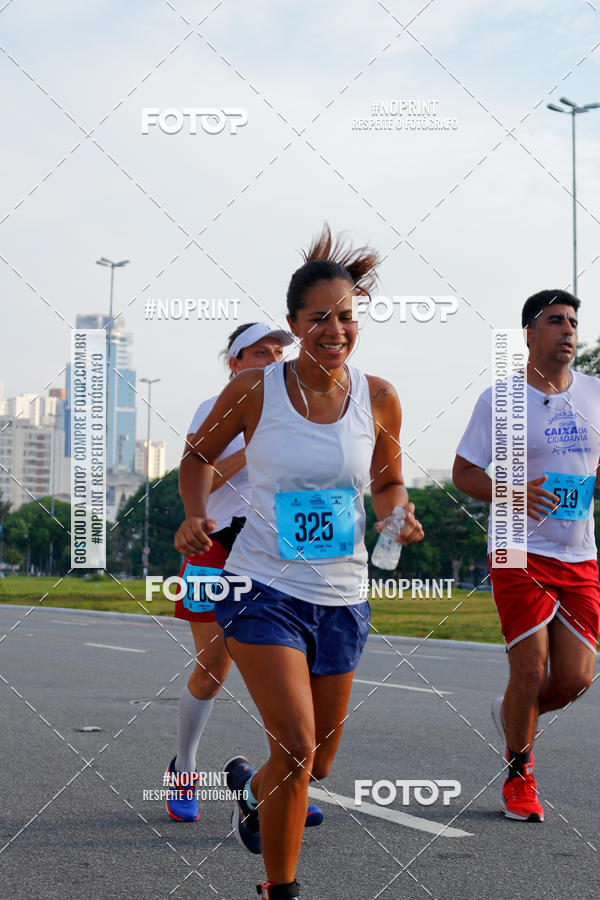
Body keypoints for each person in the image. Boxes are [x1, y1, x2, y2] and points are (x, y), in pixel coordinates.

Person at [175, 225, 425, 900]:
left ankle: (252, 792)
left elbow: (388, 481)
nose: (334, 330)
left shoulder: (379, 396)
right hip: (261, 586)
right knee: (294, 745)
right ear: (293, 324)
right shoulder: (255, 389)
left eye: (346, 317)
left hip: (343, 596)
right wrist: (195, 514)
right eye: (319, 318)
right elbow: (197, 459)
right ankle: (279, 889)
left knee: (315, 763)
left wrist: (396, 514)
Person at [453, 290, 600, 823]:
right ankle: (519, 777)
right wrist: (513, 493)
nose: (568, 330)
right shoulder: (500, 399)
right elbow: (464, 472)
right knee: (531, 666)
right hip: (518, 548)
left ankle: (514, 713)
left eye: (573, 322)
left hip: (579, 553)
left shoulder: (595, 392)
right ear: (530, 334)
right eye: (555, 321)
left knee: (576, 678)